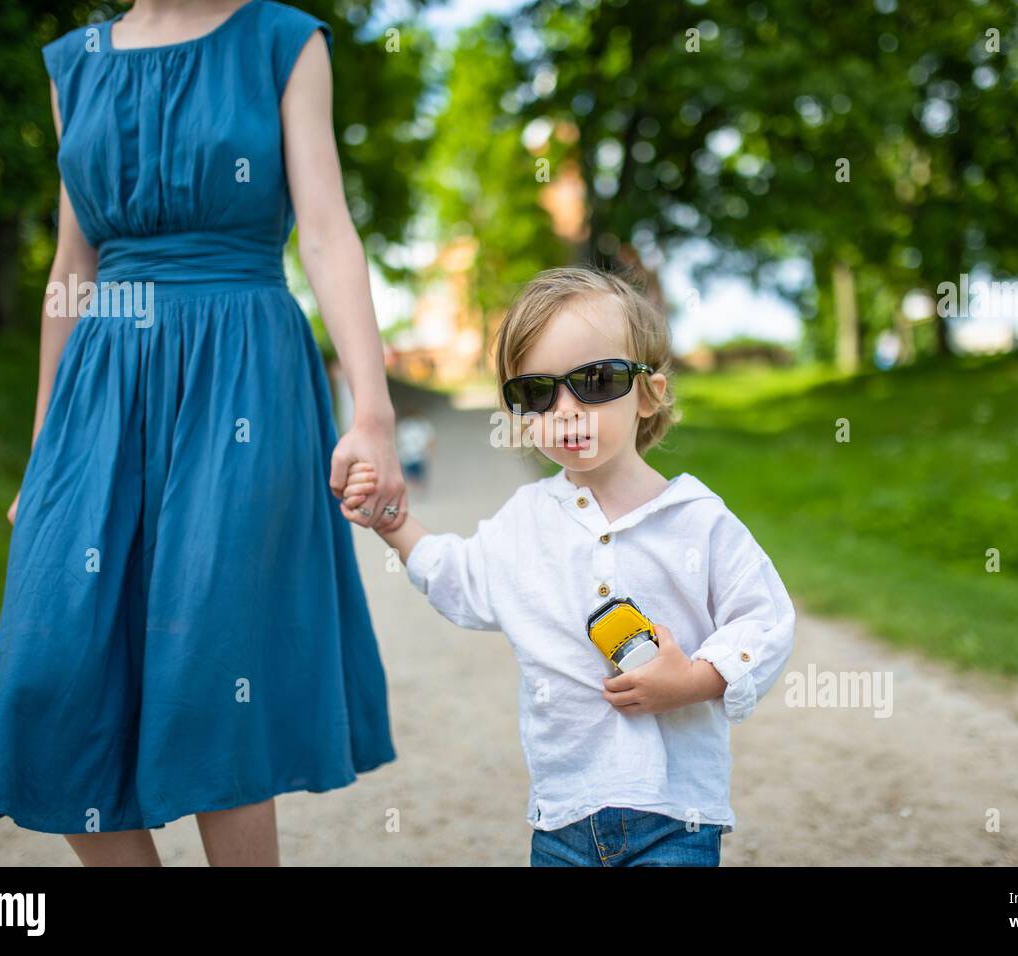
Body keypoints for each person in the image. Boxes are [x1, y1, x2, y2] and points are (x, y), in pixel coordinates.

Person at [0, 0, 406, 866]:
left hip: (242, 366)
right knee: (44, 674)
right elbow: (74, 263)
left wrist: (372, 410)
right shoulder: (75, 62)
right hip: (103, 380)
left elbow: (325, 233)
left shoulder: (284, 40)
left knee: (217, 674)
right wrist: (43, 452)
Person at [341, 267, 797, 866]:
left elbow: (764, 620)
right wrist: (395, 524)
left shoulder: (697, 520)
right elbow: (462, 575)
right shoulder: (526, 520)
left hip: (676, 813)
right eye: (536, 392)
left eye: (596, 380)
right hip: (562, 816)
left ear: (650, 393)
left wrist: (695, 680)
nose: (565, 408)